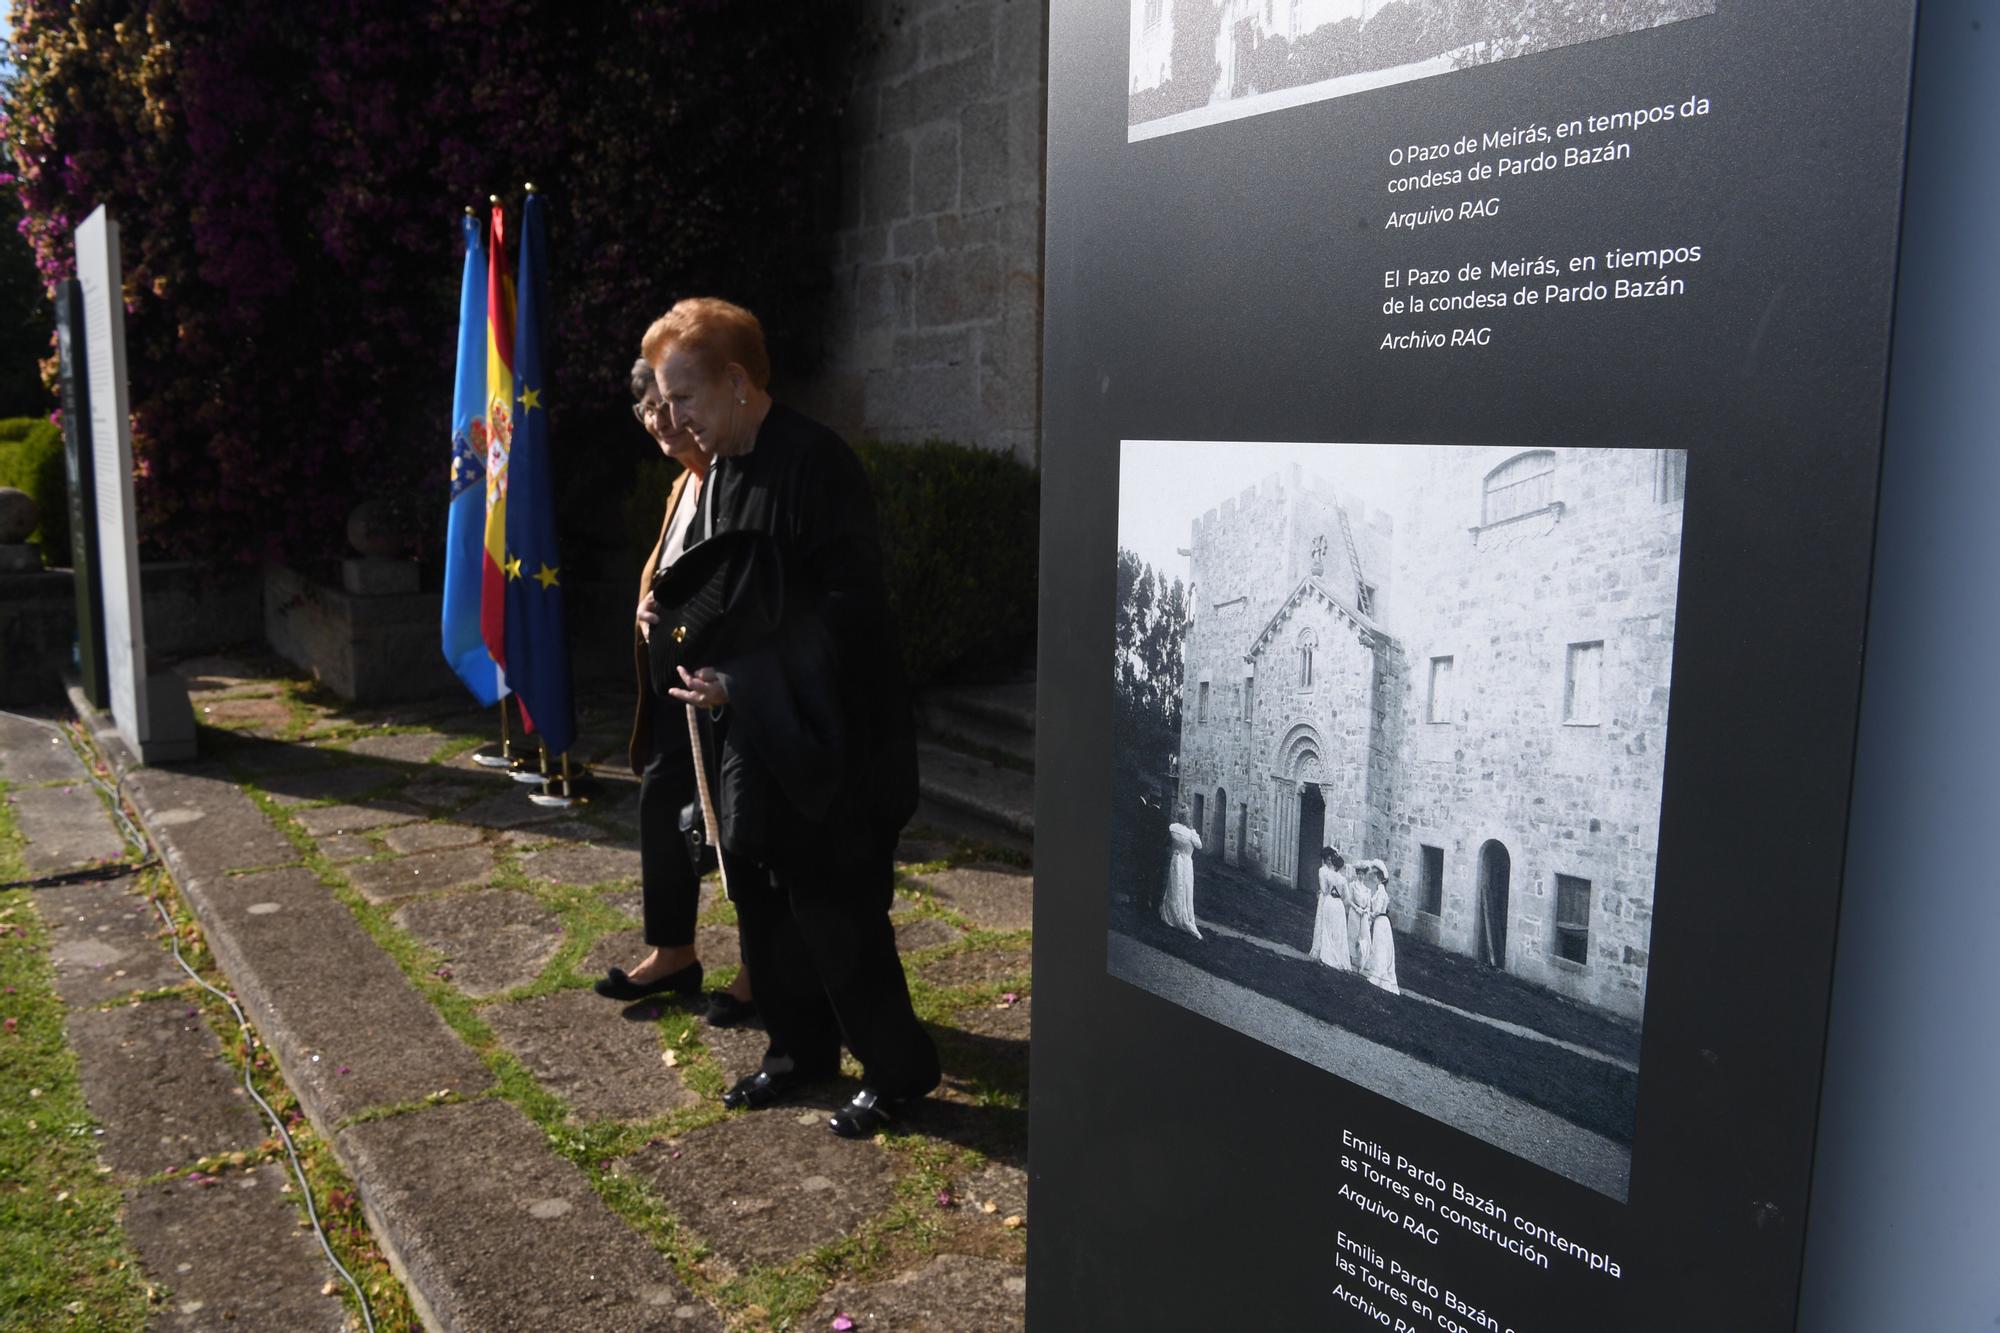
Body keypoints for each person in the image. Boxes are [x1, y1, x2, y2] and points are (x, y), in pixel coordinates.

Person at [637, 297, 939, 1139]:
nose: (674, 417)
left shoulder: (818, 463)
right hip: (755, 732)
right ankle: (799, 1052)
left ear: (737, 382)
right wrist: (679, 626)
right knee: (762, 896)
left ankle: (898, 1070)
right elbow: (732, 587)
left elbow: (851, 612)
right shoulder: (725, 466)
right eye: (666, 400)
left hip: (835, 738)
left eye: (685, 397)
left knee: (839, 910)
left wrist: (740, 677)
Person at [598, 359, 756, 1026]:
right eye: (647, 411)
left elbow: (736, 586)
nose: (660, 421)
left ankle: (759, 965)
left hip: (724, 685)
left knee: (739, 822)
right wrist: (645, 607)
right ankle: (673, 950)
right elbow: (667, 571)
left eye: (668, 403)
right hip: (671, 682)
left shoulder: (735, 479)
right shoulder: (681, 487)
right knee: (662, 804)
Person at [1358, 861, 1400, 995]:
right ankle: (1378, 972)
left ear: (1379, 878)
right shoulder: (1380, 890)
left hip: (1381, 921)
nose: (1373, 879)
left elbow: (1377, 909)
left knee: (1381, 947)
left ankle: (1379, 975)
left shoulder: (1381, 891)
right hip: (1381, 921)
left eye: (1375, 877)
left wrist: (1368, 914)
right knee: (1379, 946)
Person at [1161, 809, 1203, 938]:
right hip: (1186, 863)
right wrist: (1193, 831)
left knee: (1173, 886)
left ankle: (1170, 912)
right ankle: (1182, 915)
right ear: (1187, 818)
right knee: (1185, 888)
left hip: (1175, 859)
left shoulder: (1172, 827)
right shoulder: (1191, 834)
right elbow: (1199, 846)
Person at [1309, 847, 1352, 970]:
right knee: (1321, 923)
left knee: (1330, 925)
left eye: (1330, 859)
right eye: (1327, 859)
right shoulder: (1322, 870)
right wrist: (1323, 892)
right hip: (1325, 898)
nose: (1329, 861)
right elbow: (1324, 889)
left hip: (1330, 898)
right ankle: (1319, 950)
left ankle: (1328, 952)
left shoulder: (1332, 873)